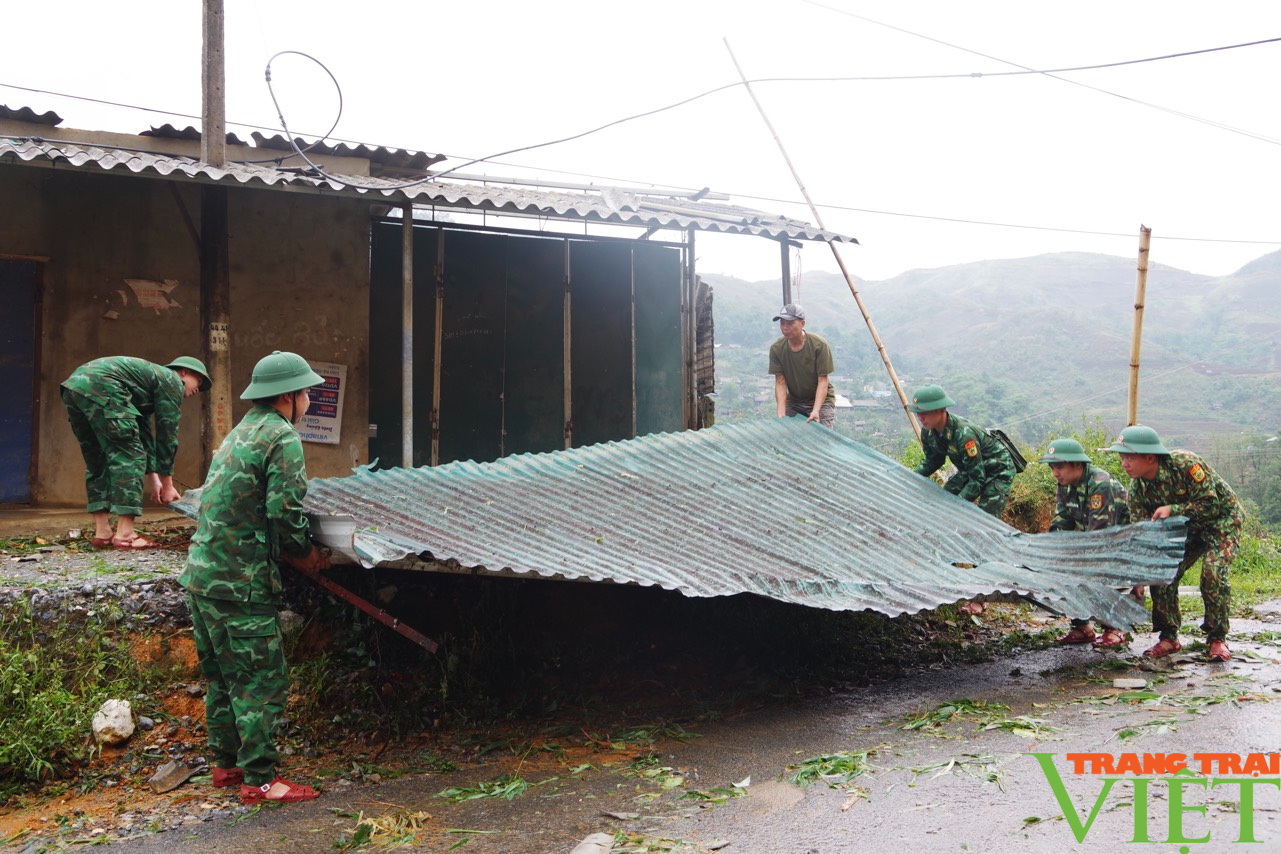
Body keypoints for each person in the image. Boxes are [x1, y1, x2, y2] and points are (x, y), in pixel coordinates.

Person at [179, 350, 331, 804]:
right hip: (240, 582)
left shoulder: (241, 432)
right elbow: (283, 512)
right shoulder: (281, 437)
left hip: (202, 576)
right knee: (260, 682)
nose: (308, 399)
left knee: (223, 678)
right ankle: (261, 782)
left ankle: (226, 767)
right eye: (306, 392)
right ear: (288, 396)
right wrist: (307, 554)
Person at [1105, 424, 1244, 663]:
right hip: (1187, 530)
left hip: (1221, 521)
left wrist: (1173, 509)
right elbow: (1143, 535)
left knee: (1213, 574)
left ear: (1149, 457)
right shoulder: (1137, 489)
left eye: (1129, 457)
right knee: (1161, 573)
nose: (1124, 463)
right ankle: (1169, 637)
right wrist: (1138, 574)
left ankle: (1217, 637)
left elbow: (1212, 505)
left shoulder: (1186, 464)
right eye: (1121, 457)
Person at [60, 355, 211, 549]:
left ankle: (103, 532)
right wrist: (168, 484)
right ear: (184, 372)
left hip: (74, 388)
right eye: (198, 381)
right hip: (104, 386)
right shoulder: (172, 380)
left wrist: (155, 479)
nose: (198, 389)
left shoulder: (145, 384)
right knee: (130, 457)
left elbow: (144, 434)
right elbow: (167, 434)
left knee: (97, 460)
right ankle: (125, 534)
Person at [1039, 438, 1134, 648]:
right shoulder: (1065, 485)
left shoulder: (1100, 483)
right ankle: (1082, 627)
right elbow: (1061, 521)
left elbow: (1100, 535)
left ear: (1077, 464)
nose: (1055, 472)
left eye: (1060, 466)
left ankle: (1115, 628)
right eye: (1052, 467)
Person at [908, 385, 1015, 517]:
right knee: (944, 499)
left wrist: (956, 507)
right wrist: (910, 477)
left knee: (985, 518)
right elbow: (934, 461)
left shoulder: (964, 435)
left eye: (924, 412)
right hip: (970, 469)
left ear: (940, 410)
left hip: (997, 470)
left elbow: (977, 479)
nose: (920, 418)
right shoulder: (928, 432)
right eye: (918, 413)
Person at [768, 303, 836, 427]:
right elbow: (780, 382)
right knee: (786, 436)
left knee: (822, 439)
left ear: (802, 324)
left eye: (790, 323)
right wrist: (780, 413)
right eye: (782, 323)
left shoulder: (819, 345)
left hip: (820, 401)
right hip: (795, 401)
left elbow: (823, 380)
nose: (785, 328)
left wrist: (815, 411)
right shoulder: (777, 348)